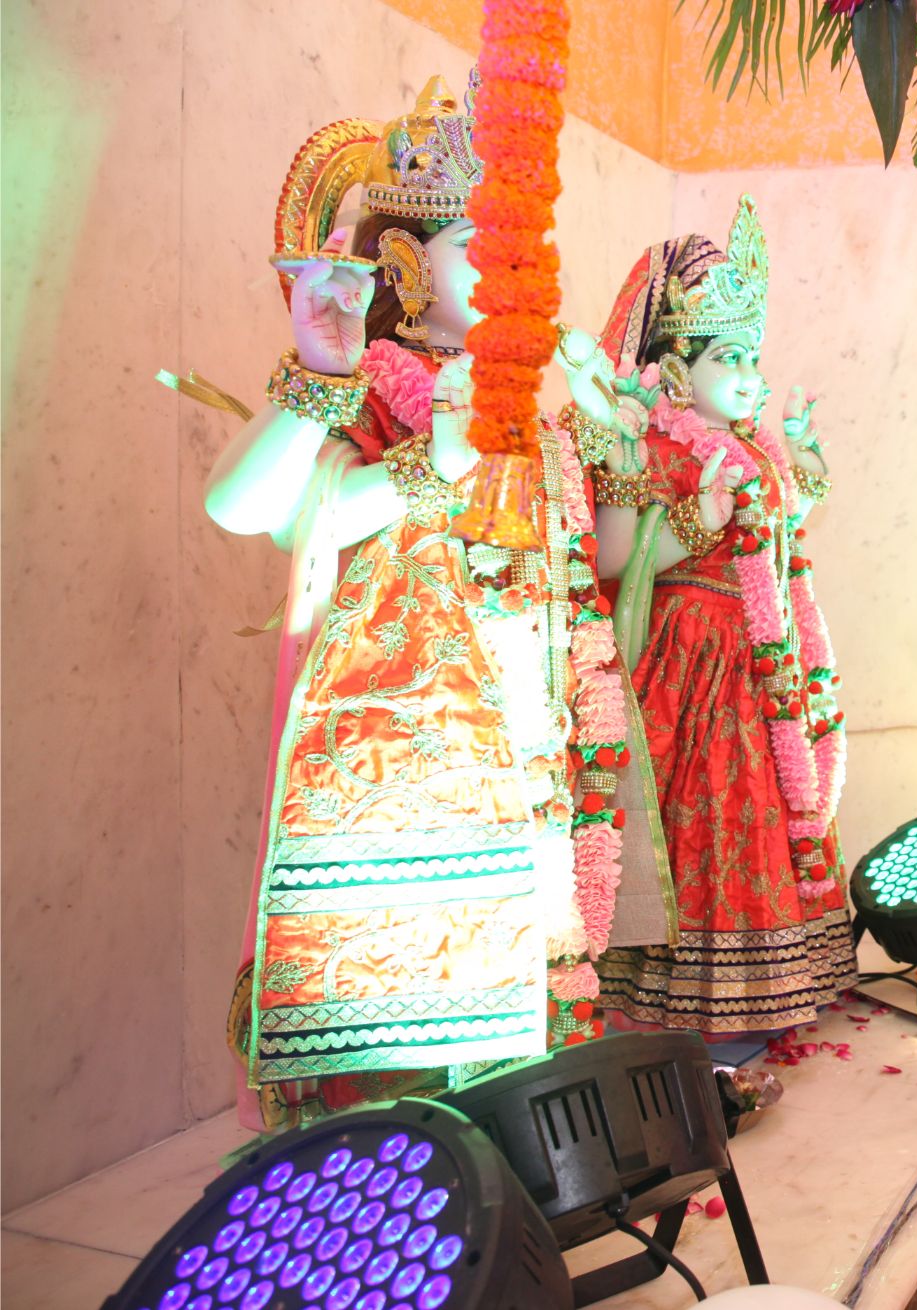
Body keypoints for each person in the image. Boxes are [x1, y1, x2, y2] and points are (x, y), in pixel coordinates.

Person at [201, 74, 658, 1127]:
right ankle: (407, 1167)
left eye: (521, 253)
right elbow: (254, 511)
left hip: (529, 749)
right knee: (414, 1009)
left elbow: (585, 567)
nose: (512, 272)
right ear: (404, 263)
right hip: (406, 759)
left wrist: (621, 454)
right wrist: (367, 415)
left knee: (527, 985)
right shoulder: (369, 377)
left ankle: (527, 1150)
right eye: (478, 248)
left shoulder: (530, 415)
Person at [583, 199, 856, 1035]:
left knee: (771, 806)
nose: (749, 374)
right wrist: (695, 520)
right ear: (675, 371)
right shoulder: (653, 445)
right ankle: (694, 1000)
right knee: (708, 813)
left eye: (753, 356)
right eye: (728, 356)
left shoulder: (756, 448)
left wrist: (803, 458)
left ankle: (763, 992)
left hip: (762, 660)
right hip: (693, 661)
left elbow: (782, 528)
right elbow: (612, 558)